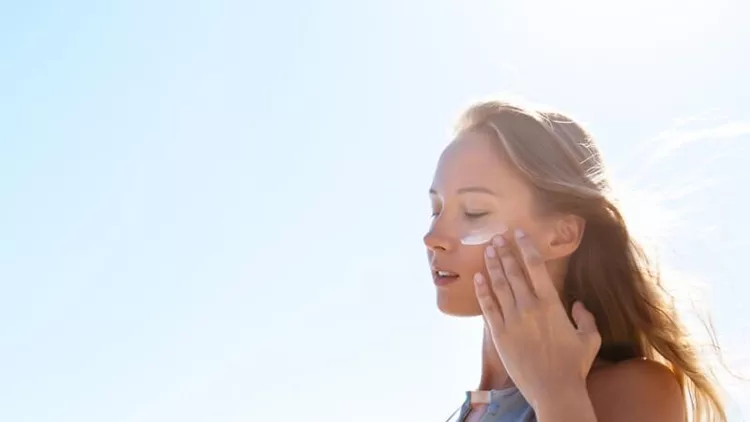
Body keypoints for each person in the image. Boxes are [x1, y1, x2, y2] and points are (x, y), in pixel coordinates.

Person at [424, 100, 727, 422]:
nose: (433, 237)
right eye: (436, 208)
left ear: (562, 235)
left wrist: (557, 393)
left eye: (474, 212)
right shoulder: (473, 407)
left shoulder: (633, 390)